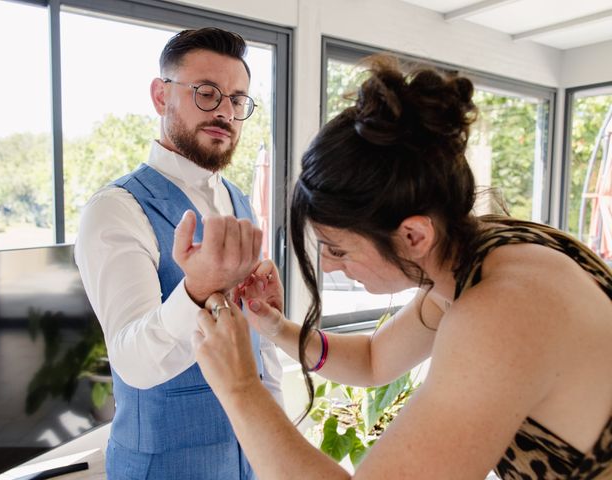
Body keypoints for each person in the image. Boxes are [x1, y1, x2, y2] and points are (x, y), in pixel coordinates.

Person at [185, 54, 612, 479]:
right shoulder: (486, 252)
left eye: (338, 249)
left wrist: (240, 388)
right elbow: (374, 360)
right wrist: (275, 327)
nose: (330, 267)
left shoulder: (501, 313)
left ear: (413, 236)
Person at [75, 27, 283, 480]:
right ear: (159, 95)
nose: (225, 112)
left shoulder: (239, 201)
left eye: (237, 99)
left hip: (250, 458)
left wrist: (276, 433)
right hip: (163, 467)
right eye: (207, 94)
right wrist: (197, 289)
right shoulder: (116, 210)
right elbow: (133, 362)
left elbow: (259, 346)